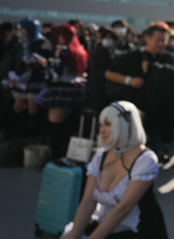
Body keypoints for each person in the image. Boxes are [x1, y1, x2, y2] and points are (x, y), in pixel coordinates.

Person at [61, 101, 167, 239]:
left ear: (128, 124)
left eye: (108, 124)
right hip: (106, 224)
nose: (102, 130)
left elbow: (123, 209)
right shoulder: (101, 155)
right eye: (101, 125)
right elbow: (88, 202)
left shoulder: (146, 160)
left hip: (136, 230)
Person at [106, 24, 174, 157]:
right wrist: (129, 80)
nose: (160, 44)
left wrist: (155, 68)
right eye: (157, 40)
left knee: (152, 155)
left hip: (158, 117)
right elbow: (109, 73)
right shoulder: (133, 56)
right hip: (133, 115)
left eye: (163, 40)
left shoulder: (169, 58)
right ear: (147, 38)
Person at [36, 24, 90, 158]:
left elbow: (54, 74)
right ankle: (66, 155)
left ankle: (56, 156)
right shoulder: (80, 51)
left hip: (61, 90)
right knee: (69, 125)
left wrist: (47, 64)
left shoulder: (61, 51)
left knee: (55, 125)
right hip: (77, 90)